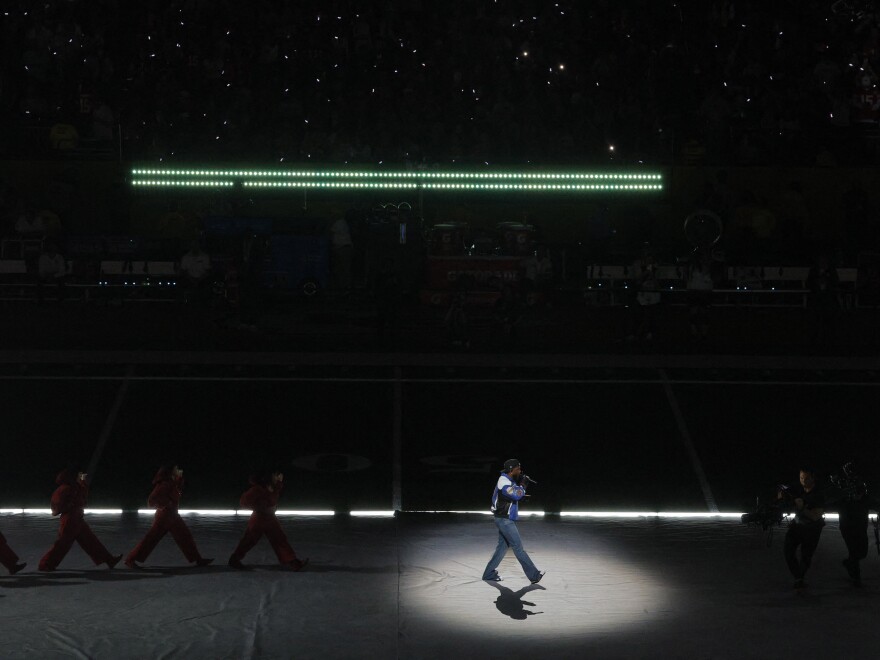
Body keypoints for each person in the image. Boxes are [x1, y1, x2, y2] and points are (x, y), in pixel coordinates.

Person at [125, 465, 213, 569]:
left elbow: (176, 495)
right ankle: (130, 560)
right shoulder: (165, 484)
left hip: (171, 516)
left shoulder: (172, 483)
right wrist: (166, 504)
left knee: (182, 537)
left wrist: (179, 482)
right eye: (176, 470)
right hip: (165, 517)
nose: (179, 471)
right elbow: (151, 500)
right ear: (170, 473)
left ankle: (198, 559)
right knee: (154, 539)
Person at [39, 468, 122, 571]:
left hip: (76, 518)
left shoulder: (71, 487)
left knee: (90, 541)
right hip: (70, 520)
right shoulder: (65, 489)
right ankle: (45, 564)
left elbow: (82, 492)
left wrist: (82, 480)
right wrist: (68, 507)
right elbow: (57, 506)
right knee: (63, 544)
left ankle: (109, 560)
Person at [228, 471, 308, 570]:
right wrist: (259, 507)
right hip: (259, 519)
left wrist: (278, 482)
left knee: (280, 539)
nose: (277, 476)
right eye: (275, 475)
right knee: (249, 540)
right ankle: (234, 559)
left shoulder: (271, 487)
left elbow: (275, 492)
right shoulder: (257, 489)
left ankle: (293, 562)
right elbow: (244, 501)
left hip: (270, 518)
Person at [482, 459, 543, 584]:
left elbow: (516, 494)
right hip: (505, 521)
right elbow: (516, 495)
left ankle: (488, 574)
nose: (520, 471)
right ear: (511, 470)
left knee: (502, 548)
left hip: (504, 519)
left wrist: (521, 485)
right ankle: (534, 575)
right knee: (518, 548)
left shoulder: (508, 480)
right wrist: (523, 484)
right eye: (518, 468)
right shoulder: (503, 481)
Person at [829, 462, 878, 587]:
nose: (858, 495)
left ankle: (849, 564)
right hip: (847, 529)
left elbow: (877, 505)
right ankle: (856, 578)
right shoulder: (844, 500)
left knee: (863, 552)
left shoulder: (865, 499)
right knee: (854, 552)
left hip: (861, 528)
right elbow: (828, 504)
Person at [780, 467, 825, 589]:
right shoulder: (798, 489)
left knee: (806, 556)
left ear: (813, 478)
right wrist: (782, 497)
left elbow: (815, 516)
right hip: (797, 525)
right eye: (801, 478)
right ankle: (798, 577)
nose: (803, 481)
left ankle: (799, 578)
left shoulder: (819, 494)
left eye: (806, 478)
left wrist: (801, 508)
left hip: (813, 528)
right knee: (788, 551)